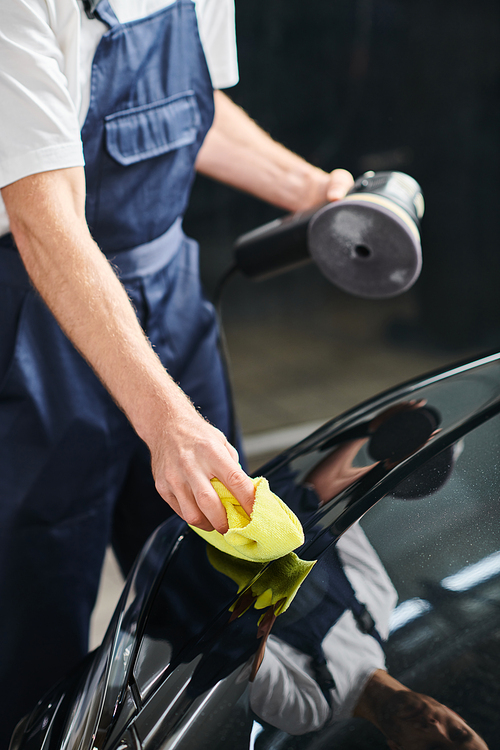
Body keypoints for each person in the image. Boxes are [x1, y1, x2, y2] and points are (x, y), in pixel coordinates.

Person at [0, 0, 353, 742]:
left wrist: (311, 193)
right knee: (34, 617)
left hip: (169, 291)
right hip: (38, 315)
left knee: (219, 582)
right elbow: (44, 217)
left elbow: (195, 108)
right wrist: (168, 419)